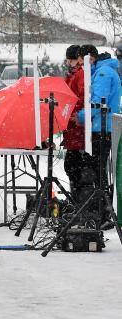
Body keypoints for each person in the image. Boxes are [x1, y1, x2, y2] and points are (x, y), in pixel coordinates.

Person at [76, 44, 121, 226]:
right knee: (99, 170)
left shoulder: (102, 73)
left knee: (98, 171)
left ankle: (102, 212)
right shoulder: (106, 71)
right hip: (103, 127)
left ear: (90, 58)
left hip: (102, 128)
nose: (80, 65)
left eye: (81, 60)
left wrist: (80, 116)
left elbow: (97, 102)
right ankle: (102, 211)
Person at [62, 45, 87, 205]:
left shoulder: (80, 75)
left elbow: (82, 98)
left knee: (73, 167)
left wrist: (73, 113)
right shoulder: (72, 75)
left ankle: (78, 202)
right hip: (72, 131)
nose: (68, 63)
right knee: (71, 166)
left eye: (69, 60)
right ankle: (75, 200)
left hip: (77, 129)